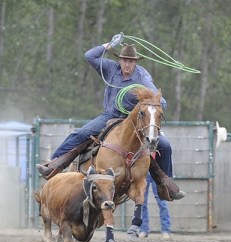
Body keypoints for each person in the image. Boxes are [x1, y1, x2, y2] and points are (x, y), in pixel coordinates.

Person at [36, 32, 185, 201]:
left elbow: (157, 97)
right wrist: (109, 45)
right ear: (119, 60)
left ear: (135, 62)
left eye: (131, 61)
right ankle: (54, 164)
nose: (127, 65)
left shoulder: (142, 76)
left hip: (135, 122)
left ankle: (166, 185)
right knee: (81, 133)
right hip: (110, 116)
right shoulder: (110, 68)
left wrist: (158, 102)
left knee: (164, 145)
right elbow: (89, 56)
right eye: (125, 61)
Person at [139, 172, 171, 239]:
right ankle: (144, 230)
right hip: (144, 171)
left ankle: (165, 230)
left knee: (162, 203)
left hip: (157, 171)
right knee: (142, 203)